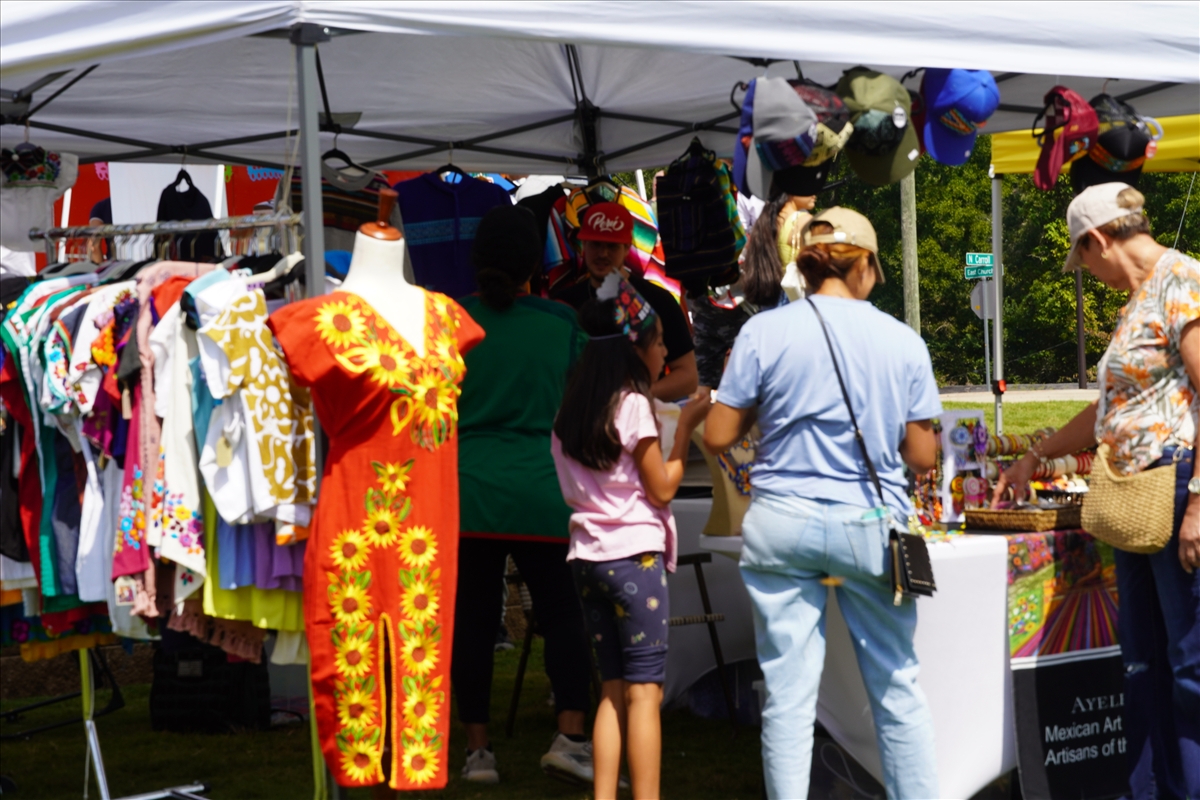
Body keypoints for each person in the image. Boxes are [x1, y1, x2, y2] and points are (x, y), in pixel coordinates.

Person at [701, 207, 941, 800]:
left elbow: (719, 434)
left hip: (783, 519)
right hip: (871, 523)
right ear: (863, 265)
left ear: (807, 268)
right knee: (896, 686)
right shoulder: (902, 340)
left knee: (788, 695)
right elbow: (922, 456)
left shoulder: (763, 332)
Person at [992, 183, 1199, 798]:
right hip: (1133, 501)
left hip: (1175, 487)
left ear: (1098, 240)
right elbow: (1107, 410)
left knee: (1189, 667)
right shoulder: (1137, 302)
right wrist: (1033, 457)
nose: (1085, 271)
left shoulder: (1182, 280)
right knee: (1141, 661)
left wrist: (1199, 502)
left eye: (1081, 257)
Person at [452, 205, 596, 785]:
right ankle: (571, 737)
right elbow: (584, 405)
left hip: (469, 495)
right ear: (536, 264)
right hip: (543, 493)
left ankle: (478, 753)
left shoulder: (451, 321)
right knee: (563, 616)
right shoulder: (561, 322)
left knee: (472, 621)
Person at [550, 274, 710, 800]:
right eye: (660, 341)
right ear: (634, 348)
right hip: (634, 560)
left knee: (612, 691)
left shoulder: (569, 411)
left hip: (586, 559)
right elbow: (662, 488)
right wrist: (684, 429)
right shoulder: (633, 405)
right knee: (645, 693)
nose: (665, 352)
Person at [552, 202, 698, 401]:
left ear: (627, 247)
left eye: (612, 246)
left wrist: (629, 401)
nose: (603, 254)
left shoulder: (659, 301)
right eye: (595, 244)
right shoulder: (562, 304)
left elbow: (688, 377)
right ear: (583, 245)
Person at [691, 187, 814, 393]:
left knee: (705, 387)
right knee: (760, 384)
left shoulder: (709, 194)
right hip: (745, 303)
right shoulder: (792, 217)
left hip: (719, 298)